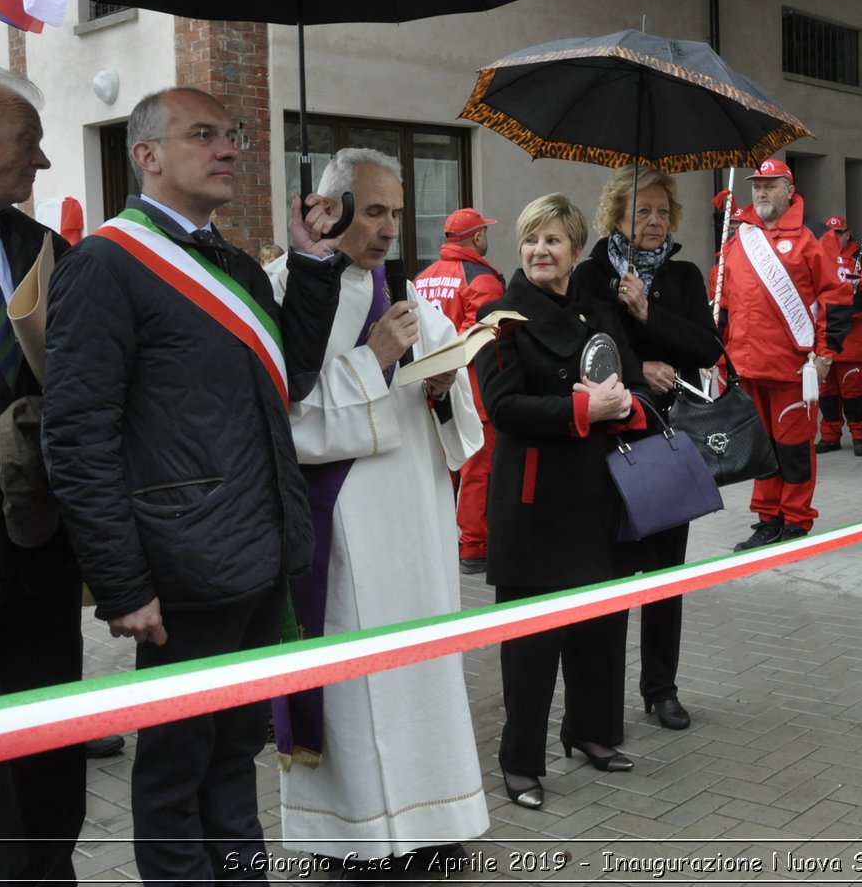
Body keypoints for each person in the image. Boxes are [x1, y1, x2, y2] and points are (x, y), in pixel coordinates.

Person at [41, 86, 344, 884]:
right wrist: (122, 583)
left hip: (256, 550)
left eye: (232, 134)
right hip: (182, 565)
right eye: (203, 134)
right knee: (177, 768)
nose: (229, 149)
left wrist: (310, 261)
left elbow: (293, 378)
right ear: (147, 156)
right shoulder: (103, 264)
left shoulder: (236, 262)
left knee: (236, 748)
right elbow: (77, 439)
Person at [270, 149, 488, 873]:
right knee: (356, 686)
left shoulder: (407, 291)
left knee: (420, 672)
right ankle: (357, 837)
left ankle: (429, 822)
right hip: (345, 525)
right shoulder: (288, 288)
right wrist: (373, 359)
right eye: (374, 211)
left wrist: (443, 384)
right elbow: (284, 416)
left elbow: (448, 412)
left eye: (397, 211)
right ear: (329, 211)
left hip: (414, 519)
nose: (391, 227)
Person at [474, 193, 648, 812]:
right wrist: (584, 409)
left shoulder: (597, 312)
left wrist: (622, 404)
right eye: (530, 240)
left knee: (600, 628)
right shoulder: (499, 318)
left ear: (576, 249)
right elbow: (503, 408)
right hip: (532, 504)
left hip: (598, 497)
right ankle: (520, 762)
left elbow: (629, 384)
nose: (540, 251)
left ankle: (592, 733)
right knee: (531, 644)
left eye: (552, 240)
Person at [571, 167, 722, 732]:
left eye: (663, 211)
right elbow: (586, 349)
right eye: (642, 212)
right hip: (607, 445)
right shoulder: (589, 275)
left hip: (663, 444)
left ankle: (661, 689)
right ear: (616, 216)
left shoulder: (683, 276)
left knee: (664, 574)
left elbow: (707, 347)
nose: (654, 221)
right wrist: (641, 368)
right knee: (608, 577)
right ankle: (602, 697)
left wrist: (647, 313)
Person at [0, 70, 82, 884]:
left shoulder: (44, 249)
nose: (44, 162)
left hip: (39, 550)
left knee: (49, 746)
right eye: (29, 142)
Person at [718, 160, 850, 550]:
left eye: (770, 186)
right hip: (746, 364)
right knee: (760, 448)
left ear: (789, 189)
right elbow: (724, 300)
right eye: (756, 186)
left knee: (793, 447)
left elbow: (836, 298)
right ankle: (767, 518)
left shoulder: (815, 236)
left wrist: (826, 354)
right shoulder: (740, 237)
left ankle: (795, 519)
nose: (761, 193)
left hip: (794, 366)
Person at [415, 206, 506, 574]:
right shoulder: (481, 277)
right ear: (476, 237)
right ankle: (474, 546)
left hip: (432, 386)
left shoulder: (422, 277)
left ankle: (441, 541)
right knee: (476, 465)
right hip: (473, 388)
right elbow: (483, 336)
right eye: (484, 231)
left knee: (443, 464)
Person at [815, 218, 862, 457]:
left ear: (849, 233)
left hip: (852, 338)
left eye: (841, 232)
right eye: (832, 233)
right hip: (825, 338)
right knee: (826, 392)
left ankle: (859, 435)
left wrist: (841, 308)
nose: (837, 237)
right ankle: (830, 435)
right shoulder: (818, 257)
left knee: (852, 391)